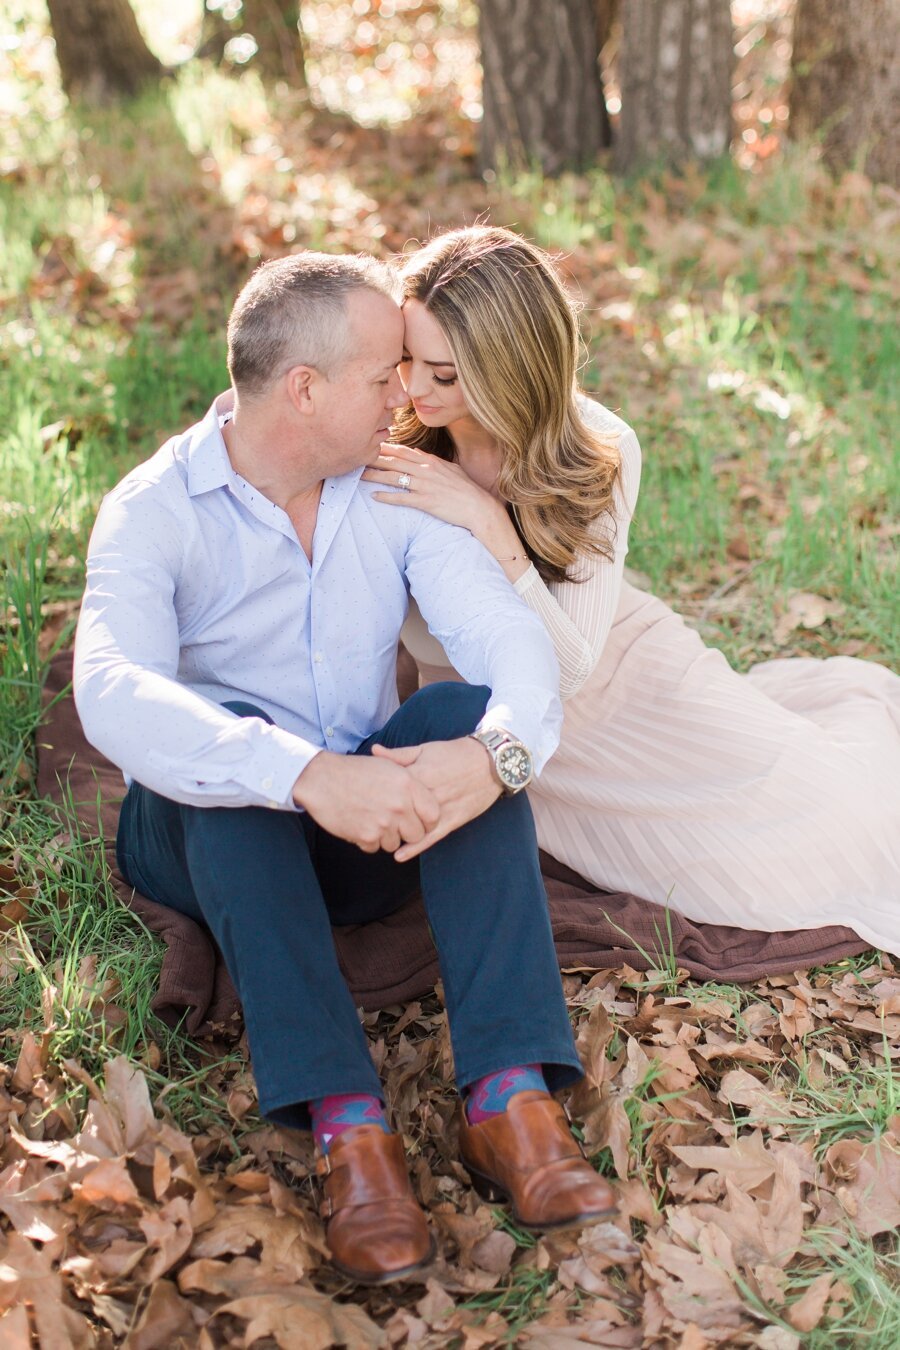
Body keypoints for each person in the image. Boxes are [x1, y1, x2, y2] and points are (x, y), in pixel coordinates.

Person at [73, 252, 618, 1287]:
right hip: (202, 836)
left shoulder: (389, 488)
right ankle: (349, 1130)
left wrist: (494, 753)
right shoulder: (155, 509)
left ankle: (511, 1104)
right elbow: (108, 686)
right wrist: (305, 773)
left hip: (366, 829)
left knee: (460, 716)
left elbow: (511, 649)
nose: (408, 397)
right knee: (227, 760)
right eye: (385, 375)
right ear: (305, 388)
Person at [364, 226, 900, 958]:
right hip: (493, 716)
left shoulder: (596, 446)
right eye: (405, 361)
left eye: (444, 374)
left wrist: (488, 521)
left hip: (623, 670)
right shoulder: (389, 439)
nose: (415, 389)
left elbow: (575, 666)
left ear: (508, 369)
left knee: (828, 815)